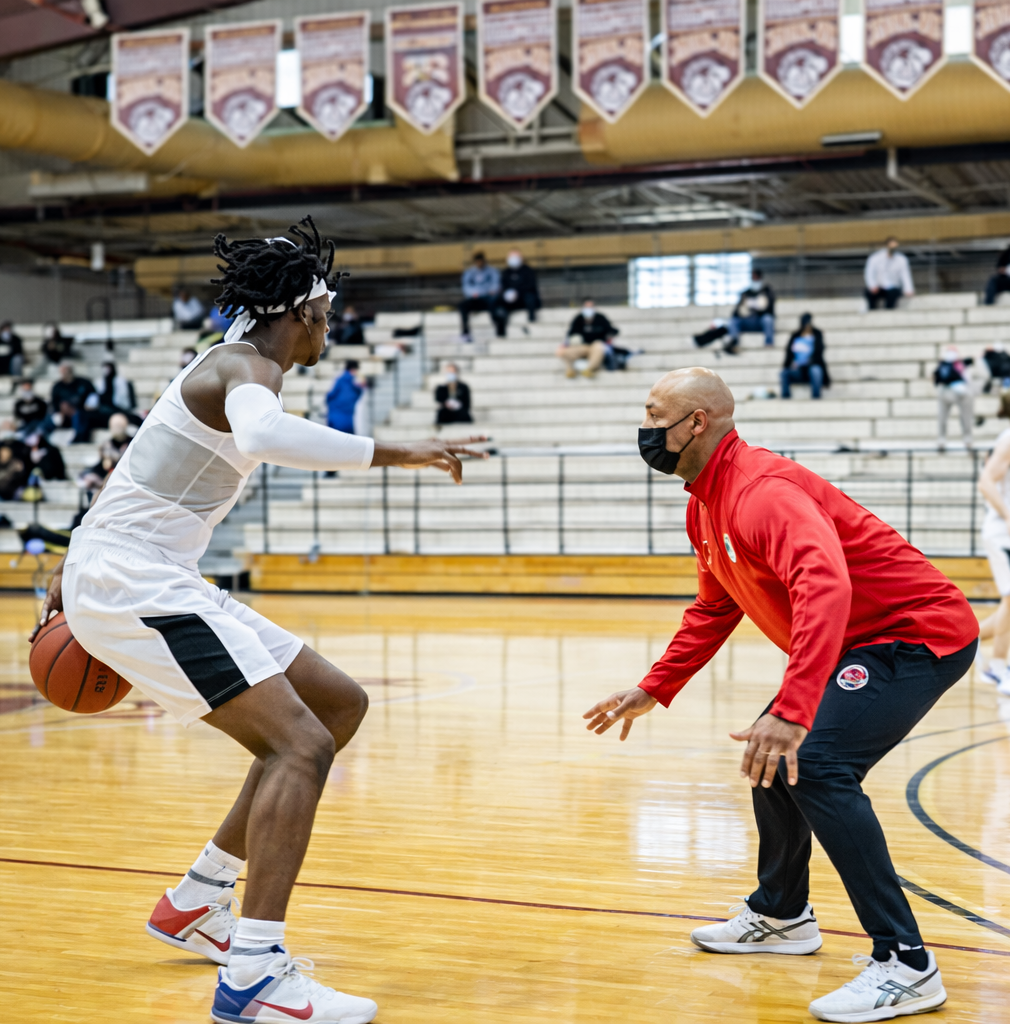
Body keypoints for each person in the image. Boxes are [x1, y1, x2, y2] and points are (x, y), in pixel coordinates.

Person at [34, 218, 486, 1024]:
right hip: (133, 580)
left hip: (145, 571)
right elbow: (263, 435)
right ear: (301, 312)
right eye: (327, 313)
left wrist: (79, 558)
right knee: (300, 746)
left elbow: (138, 472)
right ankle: (253, 975)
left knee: (337, 704)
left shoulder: (231, 364)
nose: (330, 327)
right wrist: (401, 451)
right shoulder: (246, 366)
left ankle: (196, 900)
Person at [584, 366, 978, 1023]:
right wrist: (655, 685)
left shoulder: (763, 492)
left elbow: (826, 587)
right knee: (772, 759)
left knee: (816, 763)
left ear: (696, 423)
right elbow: (715, 607)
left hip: (914, 636)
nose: (645, 427)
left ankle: (907, 964)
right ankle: (782, 914)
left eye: (654, 414)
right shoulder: (703, 503)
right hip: (857, 641)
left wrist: (793, 711)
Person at [977, 392, 1010, 695]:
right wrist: (1007, 515)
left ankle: (969, 639)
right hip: (1003, 532)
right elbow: (986, 481)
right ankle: (998, 667)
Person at [558, 299, 619, 379]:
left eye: (590, 307)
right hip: (583, 346)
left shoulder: (600, 318)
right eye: (587, 307)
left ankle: (589, 369)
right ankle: (570, 370)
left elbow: (612, 330)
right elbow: (570, 334)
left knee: (599, 346)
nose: (588, 309)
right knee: (562, 351)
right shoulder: (578, 319)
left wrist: (609, 335)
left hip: (595, 346)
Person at [780, 313, 830, 399]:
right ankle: (785, 396)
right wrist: (791, 365)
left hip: (811, 368)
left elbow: (819, 352)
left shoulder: (817, 334)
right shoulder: (795, 335)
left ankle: (816, 396)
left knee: (816, 370)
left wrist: (809, 362)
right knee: (784, 373)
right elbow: (788, 353)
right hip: (798, 370)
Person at [43, 360, 94, 443]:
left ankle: (79, 438)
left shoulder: (84, 383)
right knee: (49, 418)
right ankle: (44, 437)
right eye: (63, 370)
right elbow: (54, 402)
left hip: (80, 411)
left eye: (67, 370)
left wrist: (84, 406)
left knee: (79, 415)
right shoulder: (57, 386)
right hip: (63, 414)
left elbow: (93, 396)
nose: (65, 373)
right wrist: (58, 412)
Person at [934, 346, 974, 452]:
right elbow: (936, 378)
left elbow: (968, 376)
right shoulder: (943, 365)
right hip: (946, 391)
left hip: (962, 392)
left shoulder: (962, 363)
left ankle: (967, 438)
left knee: (966, 417)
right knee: (942, 417)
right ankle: (941, 439)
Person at [726, 270, 775, 352]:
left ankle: (769, 343)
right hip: (747, 321)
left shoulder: (767, 291)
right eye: (753, 278)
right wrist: (745, 307)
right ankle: (734, 344)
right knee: (734, 321)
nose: (754, 280)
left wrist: (758, 308)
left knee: (768, 319)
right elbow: (735, 313)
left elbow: (770, 310)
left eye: (756, 278)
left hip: (760, 322)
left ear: (760, 278)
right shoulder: (745, 293)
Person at [458, 251, 501, 342]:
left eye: (481, 261)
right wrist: (473, 293)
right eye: (477, 262)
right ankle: (465, 332)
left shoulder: (491, 271)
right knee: (462, 305)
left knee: (494, 303)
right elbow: (466, 287)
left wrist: (487, 292)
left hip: (487, 299)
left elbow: (495, 285)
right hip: (475, 299)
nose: (479, 264)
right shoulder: (470, 272)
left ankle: (498, 328)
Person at [496, 249, 540, 337]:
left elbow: (531, 286)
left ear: (521, 258)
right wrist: (508, 293)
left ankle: (532, 321)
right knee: (498, 303)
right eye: (511, 257)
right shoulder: (506, 272)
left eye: (515, 257)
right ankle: (501, 330)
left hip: (524, 298)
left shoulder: (528, 271)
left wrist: (517, 292)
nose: (513, 259)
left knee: (530, 297)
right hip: (510, 300)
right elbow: (503, 286)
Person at [864, 237, 914, 310]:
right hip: (878, 287)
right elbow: (869, 273)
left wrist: (908, 289)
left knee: (893, 294)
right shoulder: (875, 258)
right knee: (869, 294)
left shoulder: (901, 259)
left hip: (893, 288)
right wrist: (872, 286)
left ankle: (888, 311)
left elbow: (905, 275)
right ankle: (872, 311)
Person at [326, 359, 365, 434]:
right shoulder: (355, 382)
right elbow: (358, 394)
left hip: (335, 418)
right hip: (347, 420)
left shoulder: (340, 379)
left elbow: (331, 395)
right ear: (353, 369)